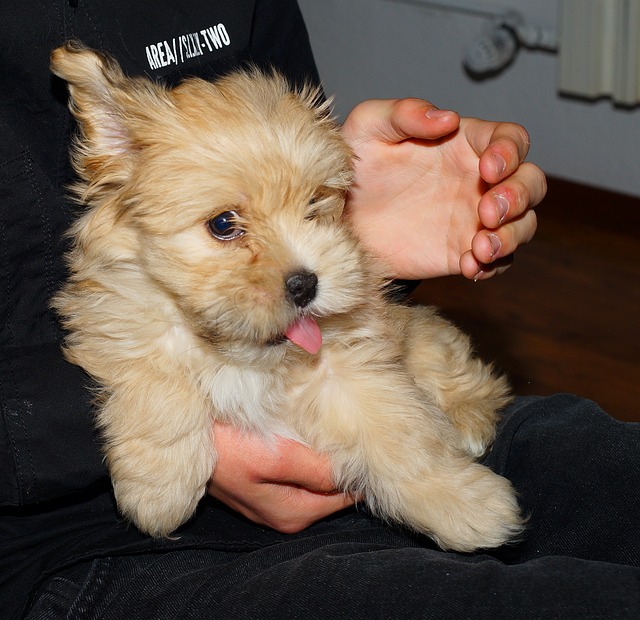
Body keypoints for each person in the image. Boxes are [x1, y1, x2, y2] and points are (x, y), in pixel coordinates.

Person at [0, 1, 637, 619]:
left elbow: (352, 350)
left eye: (312, 208)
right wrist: (151, 427)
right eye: (226, 225)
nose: (295, 261)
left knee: (603, 465)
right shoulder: (134, 320)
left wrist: (360, 220)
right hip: (69, 540)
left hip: (395, 420)